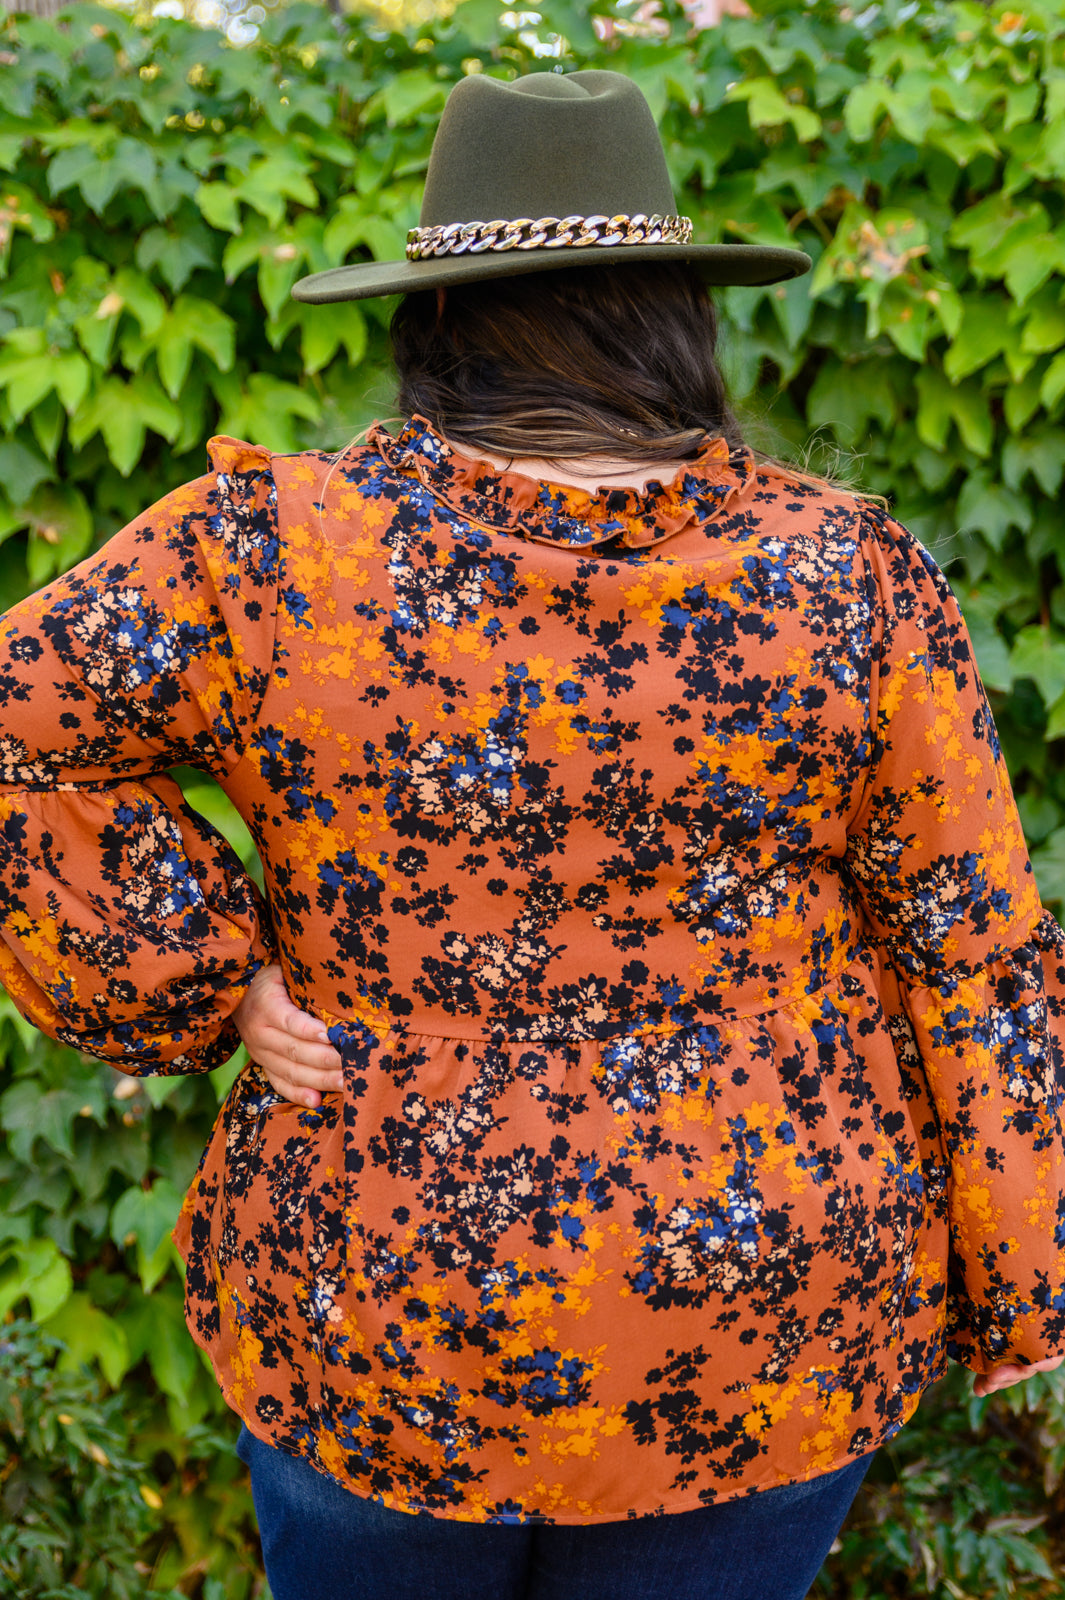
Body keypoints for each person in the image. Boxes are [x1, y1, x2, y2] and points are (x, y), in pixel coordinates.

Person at [0, 67, 1062, 1600]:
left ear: (432, 322)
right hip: (760, 1295)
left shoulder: (267, 556)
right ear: (678, 317)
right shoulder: (843, 571)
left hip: (384, 1289)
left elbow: (25, 733)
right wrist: (1021, 1269)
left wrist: (203, 966)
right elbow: (968, 938)